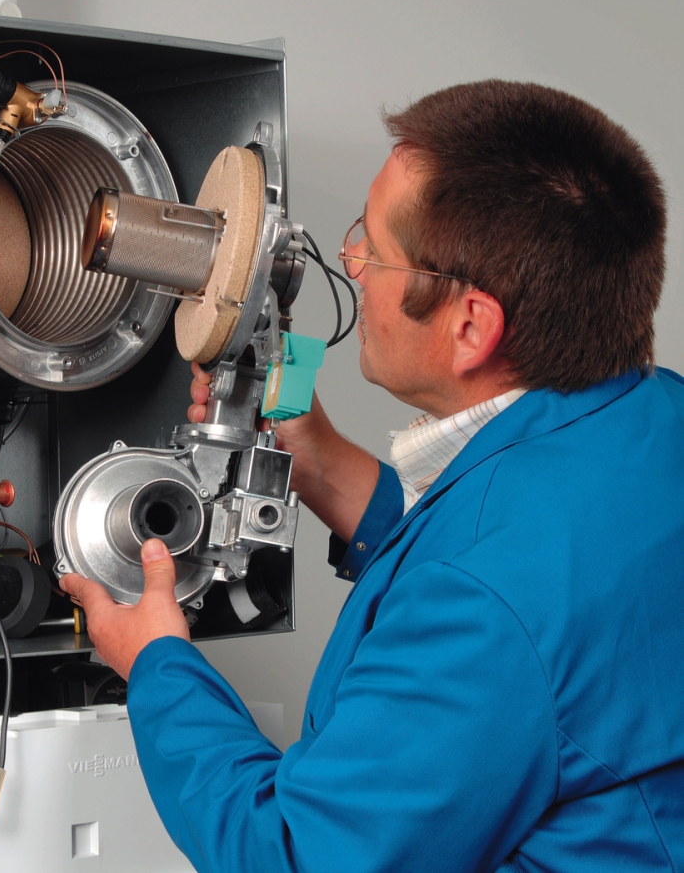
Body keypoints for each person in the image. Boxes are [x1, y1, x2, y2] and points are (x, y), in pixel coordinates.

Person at [60, 80, 684, 872]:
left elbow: (299, 855)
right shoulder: (654, 417)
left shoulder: (484, 603)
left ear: (471, 326)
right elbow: (530, 578)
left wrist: (157, 664)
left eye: (374, 248)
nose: (350, 260)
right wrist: (320, 462)